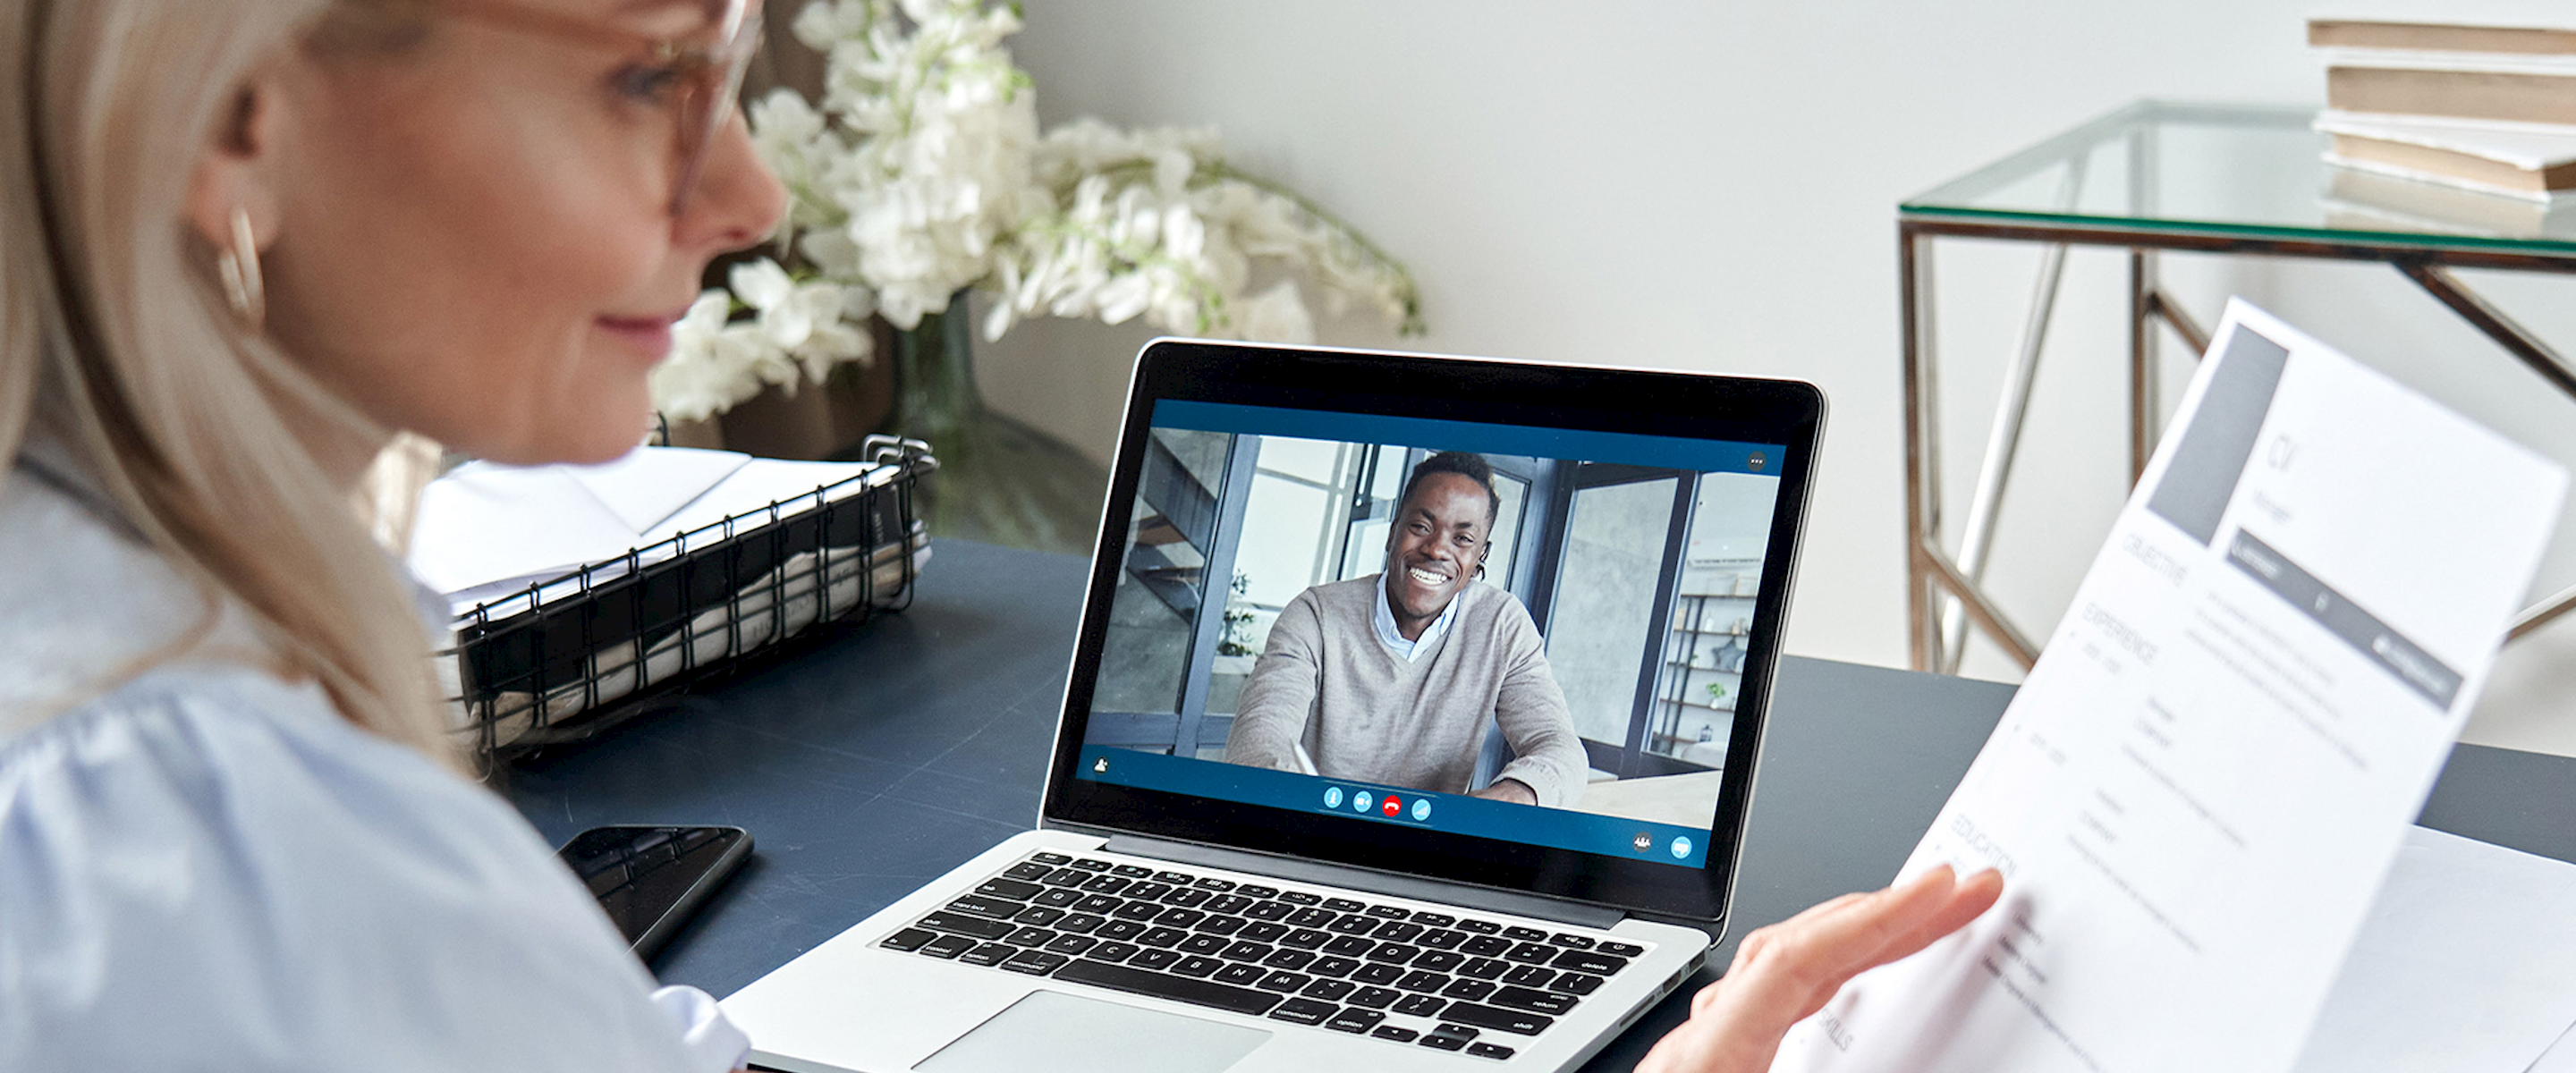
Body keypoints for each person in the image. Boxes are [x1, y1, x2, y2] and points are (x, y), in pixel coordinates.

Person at [0, 1, 1999, 1069]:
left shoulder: (158, 668)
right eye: (648, 73)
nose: (754, 185)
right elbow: (1279, 760)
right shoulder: (182, 833)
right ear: (232, 103)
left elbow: (1550, 757)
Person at [1225, 451, 1589, 807]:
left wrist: (1516, 794)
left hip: (1428, 849)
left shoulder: (1502, 627)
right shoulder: (1315, 615)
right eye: (1421, 527)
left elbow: (1560, 746)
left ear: (1480, 557)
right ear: (1392, 533)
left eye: (1462, 539)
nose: (1436, 550)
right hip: (1310, 830)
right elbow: (1260, 735)